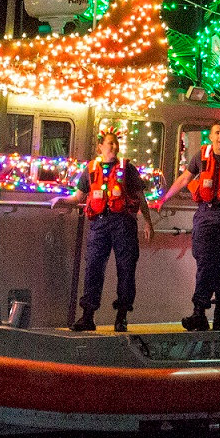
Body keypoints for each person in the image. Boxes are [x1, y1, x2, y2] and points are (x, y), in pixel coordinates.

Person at [155, 121, 220, 331]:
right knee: (204, 263)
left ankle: (219, 315)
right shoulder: (200, 157)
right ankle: (199, 314)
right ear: (210, 136)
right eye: (217, 133)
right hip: (206, 214)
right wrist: (164, 198)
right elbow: (185, 179)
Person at [53, 129, 152, 332]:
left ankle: (122, 316)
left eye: (115, 143)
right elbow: (78, 197)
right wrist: (61, 200)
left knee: (126, 269)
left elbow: (140, 197)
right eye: (109, 143)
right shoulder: (90, 170)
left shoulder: (128, 169)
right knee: (93, 268)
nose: (113, 147)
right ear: (100, 147)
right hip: (99, 223)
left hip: (123, 223)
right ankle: (88, 316)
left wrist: (147, 222)